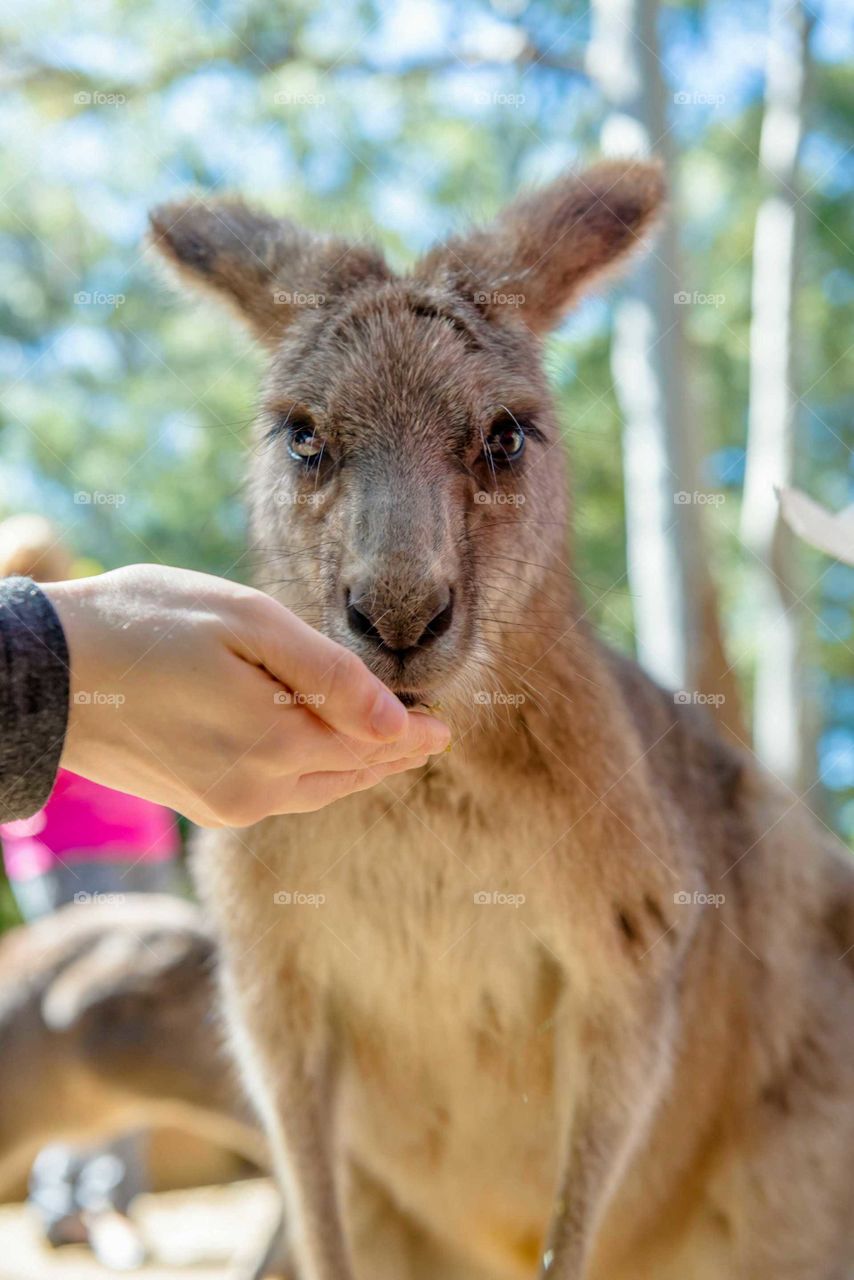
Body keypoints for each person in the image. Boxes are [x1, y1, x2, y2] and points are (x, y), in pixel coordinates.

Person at [0, 516, 448, 1263]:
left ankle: (110, 1199)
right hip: (68, 850)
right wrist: (59, 671)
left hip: (139, 837)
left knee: (138, 1006)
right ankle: (73, 1202)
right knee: (78, 1014)